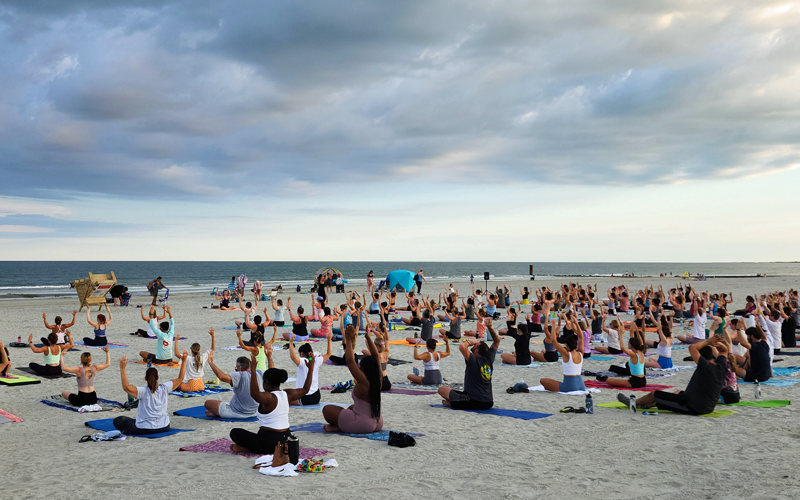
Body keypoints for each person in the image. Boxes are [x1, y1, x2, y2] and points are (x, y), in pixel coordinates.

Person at [617, 335, 728, 415]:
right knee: (678, 392)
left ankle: (633, 403)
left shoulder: (705, 366)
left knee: (654, 394)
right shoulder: (722, 366)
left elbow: (692, 348)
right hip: (708, 406)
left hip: (693, 407)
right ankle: (646, 404)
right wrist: (718, 343)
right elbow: (724, 351)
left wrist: (709, 341)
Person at [229, 352, 315, 453]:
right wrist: (311, 369)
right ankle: (247, 447)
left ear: (266, 383)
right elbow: (305, 389)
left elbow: (254, 394)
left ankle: (247, 448)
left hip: (269, 443)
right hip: (286, 439)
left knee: (235, 433)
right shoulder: (288, 394)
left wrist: (253, 372)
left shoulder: (270, 398)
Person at [322, 325, 383, 433]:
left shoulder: (364, 381)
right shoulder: (378, 378)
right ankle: (342, 425)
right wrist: (368, 338)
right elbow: (376, 356)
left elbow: (350, 361)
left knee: (326, 409)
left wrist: (348, 340)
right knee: (351, 407)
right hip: (378, 421)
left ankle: (340, 426)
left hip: (363, 424)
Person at [114, 351, 188, 435]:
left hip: (145, 428)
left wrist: (122, 368)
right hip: (164, 426)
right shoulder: (164, 387)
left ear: (145, 378)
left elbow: (126, 387)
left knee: (119, 420)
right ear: (157, 378)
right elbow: (180, 378)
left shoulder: (142, 391)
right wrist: (184, 361)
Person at [438, 321, 500, 410]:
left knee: (441, 390)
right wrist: (490, 327)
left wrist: (471, 341)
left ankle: (453, 403)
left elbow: (462, 346)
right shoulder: (489, 359)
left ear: (477, 350)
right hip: (489, 402)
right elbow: (497, 341)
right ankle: (453, 403)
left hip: (474, 401)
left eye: (476, 345)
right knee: (453, 392)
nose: (474, 345)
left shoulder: (474, 360)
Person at [539, 313, 586, 393]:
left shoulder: (566, 354)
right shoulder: (580, 353)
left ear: (566, 345)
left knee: (543, 381)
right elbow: (581, 337)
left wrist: (553, 325)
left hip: (570, 386)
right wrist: (575, 323)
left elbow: (554, 340)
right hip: (581, 385)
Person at [287, 331, 333, 405]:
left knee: (284, 400)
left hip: (305, 397)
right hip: (316, 396)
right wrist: (328, 340)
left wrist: (291, 342)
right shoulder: (316, 360)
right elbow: (328, 354)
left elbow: (293, 357)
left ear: (301, 353)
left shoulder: (303, 361)